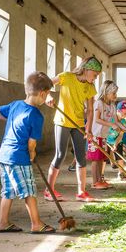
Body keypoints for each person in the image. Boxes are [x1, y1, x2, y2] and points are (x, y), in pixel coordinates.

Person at [0, 71, 56, 234]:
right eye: (47, 94)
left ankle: (3, 223)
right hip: (18, 157)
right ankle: (36, 224)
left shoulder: (15, 105)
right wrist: (32, 154)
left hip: (4, 155)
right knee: (29, 190)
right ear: (43, 93)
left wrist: (13, 121)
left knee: (8, 190)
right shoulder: (36, 115)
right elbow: (31, 144)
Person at [45, 56, 102, 202]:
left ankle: (81, 192)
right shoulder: (66, 77)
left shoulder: (90, 87)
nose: (95, 79)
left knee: (81, 156)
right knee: (60, 155)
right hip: (62, 121)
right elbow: (47, 84)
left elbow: (89, 111)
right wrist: (48, 96)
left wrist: (88, 130)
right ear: (87, 70)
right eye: (95, 75)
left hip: (78, 124)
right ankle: (49, 190)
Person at [87, 80, 126, 189]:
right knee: (95, 159)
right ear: (106, 92)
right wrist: (111, 124)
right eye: (113, 93)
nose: (115, 95)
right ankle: (95, 182)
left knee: (101, 158)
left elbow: (117, 122)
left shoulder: (112, 106)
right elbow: (97, 119)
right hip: (95, 135)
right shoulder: (99, 103)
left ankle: (100, 180)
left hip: (103, 135)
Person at [106, 101, 126, 180]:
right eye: (124, 113)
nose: (125, 115)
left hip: (117, 141)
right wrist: (107, 142)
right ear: (118, 111)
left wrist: (115, 144)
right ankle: (101, 175)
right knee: (105, 159)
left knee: (120, 157)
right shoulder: (110, 119)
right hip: (106, 141)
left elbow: (120, 134)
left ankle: (121, 174)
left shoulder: (123, 121)